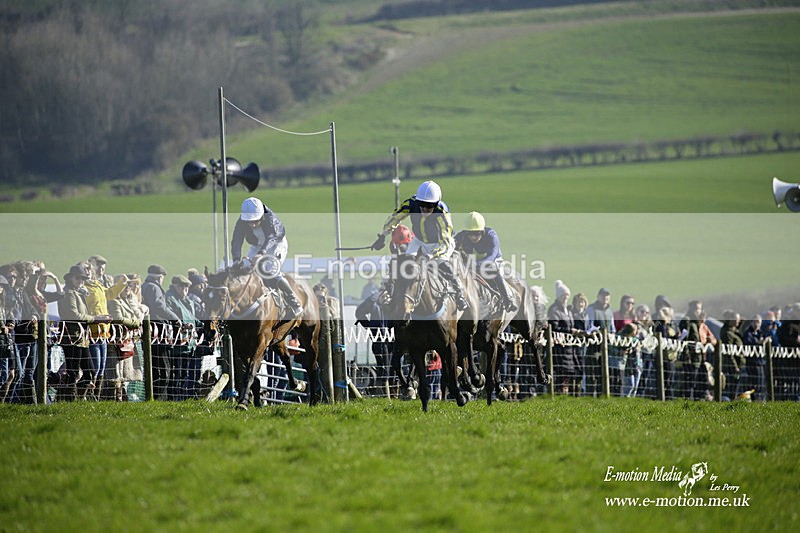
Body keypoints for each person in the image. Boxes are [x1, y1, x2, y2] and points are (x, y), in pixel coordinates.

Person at [371, 180, 468, 311]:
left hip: (441, 243)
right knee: (403, 264)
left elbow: (445, 243)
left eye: (429, 206)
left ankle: (459, 294)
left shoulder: (442, 213)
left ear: (436, 203)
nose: (424, 209)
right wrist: (383, 236)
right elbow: (395, 217)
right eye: (422, 205)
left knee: (441, 263)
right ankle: (391, 293)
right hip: (419, 241)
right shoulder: (411, 203)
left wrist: (430, 256)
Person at [231, 196, 302, 318]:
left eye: (255, 221)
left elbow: (272, 237)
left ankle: (294, 302)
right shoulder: (241, 221)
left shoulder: (270, 218)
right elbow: (236, 241)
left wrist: (261, 253)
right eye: (249, 222)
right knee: (244, 269)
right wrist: (236, 260)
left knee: (269, 271)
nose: (253, 225)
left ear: (262, 216)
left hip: (276, 243)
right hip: (257, 246)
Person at [58, 265, 110, 401]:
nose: (81, 281)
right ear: (71, 278)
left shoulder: (78, 292)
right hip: (72, 337)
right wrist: (95, 318)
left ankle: (78, 397)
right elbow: (74, 315)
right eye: (78, 278)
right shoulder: (68, 293)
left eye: (83, 278)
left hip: (81, 338)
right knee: (73, 371)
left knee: (90, 371)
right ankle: (69, 399)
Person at [454, 211, 518, 312]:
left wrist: (478, 264)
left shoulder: (491, 235)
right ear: (466, 232)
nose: (473, 237)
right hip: (472, 264)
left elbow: (492, 255)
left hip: (492, 261)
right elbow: (451, 247)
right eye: (470, 233)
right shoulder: (461, 236)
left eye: (477, 233)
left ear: (482, 231)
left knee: (495, 270)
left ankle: (508, 300)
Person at [141, 264, 180, 400]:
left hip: (151, 331)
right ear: (159, 277)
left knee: (155, 369)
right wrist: (175, 318)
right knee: (163, 371)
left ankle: (155, 399)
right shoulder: (154, 288)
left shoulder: (145, 286)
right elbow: (159, 307)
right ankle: (159, 399)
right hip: (158, 333)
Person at [107, 275, 146, 401]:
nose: (128, 288)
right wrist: (135, 323)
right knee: (116, 374)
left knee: (124, 375)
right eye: (125, 285)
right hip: (117, 343)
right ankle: (115, 399)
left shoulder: (127, 301)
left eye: (129, 285)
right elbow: (119, 318)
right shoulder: (115, 301)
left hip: (126, 343)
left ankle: (121, 398)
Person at [166, 275, 204, 400]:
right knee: (176, 373)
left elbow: (192, 318)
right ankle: (173, 399)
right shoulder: (170, 298)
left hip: (189, 343)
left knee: (185, 373)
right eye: (181, 286)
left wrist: (204, 325)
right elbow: (170, 316)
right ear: (175, 286)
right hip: (178, 343)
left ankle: (182, 398)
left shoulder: (188, 301)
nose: (184, 289)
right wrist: (183, 324)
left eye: (186, 287)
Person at [355, 282, 393, 390]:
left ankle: (394, 392)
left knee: (394, 368)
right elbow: (359, 312)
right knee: (384, 369)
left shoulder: (395, 301)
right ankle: (385, 393)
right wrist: (369, 327)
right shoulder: (374, 303)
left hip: (394, 340)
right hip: (379, 341)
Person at [547, 280, 580, 395]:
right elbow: (554, 327)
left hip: (569, 347)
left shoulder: (568, 311)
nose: (566, 298)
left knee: (568, 375)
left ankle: (565, 395)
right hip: (559, 347)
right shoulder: (554, 310)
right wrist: (570, 331)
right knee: (560, 374)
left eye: (567, 295)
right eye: (563, 295)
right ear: (559, 296)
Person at [84, 261, 111, 399]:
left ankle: (96, 397)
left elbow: (110, 294)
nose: (88, 272)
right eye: (85, 269)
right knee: (95, 366)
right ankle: (88, 396)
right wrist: (96, 318)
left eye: (89, 269)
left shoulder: (98, 285)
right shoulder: (84, 288)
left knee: (101, 368)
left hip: (104, 330)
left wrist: (122, 284)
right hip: (92, 331)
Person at [585, 288, 615, 397]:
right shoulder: (591, 308)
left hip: (606, 347)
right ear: (598, 296)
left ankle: (601, 397)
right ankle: (589, 398)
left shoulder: (610, 311)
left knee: (603, 374)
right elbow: (590, 325)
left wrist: (612, 336)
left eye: (607, 295)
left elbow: (612, 328)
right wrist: (596, 332)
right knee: (592, 374)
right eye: (603, 295)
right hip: (593, 345)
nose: (605, 297)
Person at [719, 309, 745, 400]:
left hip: (739, 363)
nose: (738, 321)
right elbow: (729, 352)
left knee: (736, 388)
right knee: (732, 388)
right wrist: (735, 366)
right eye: (736, 319)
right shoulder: (727, 333)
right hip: (732, 365)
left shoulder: (734, 331)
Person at [0, 275, 16, 403]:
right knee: (3, 374)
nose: (0, 288)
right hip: (2, 341)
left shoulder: (4, 303)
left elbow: (11, 315)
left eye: (2, 286)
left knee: (9, 374)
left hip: (5, 341)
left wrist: (11, 323)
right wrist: (2, 326)